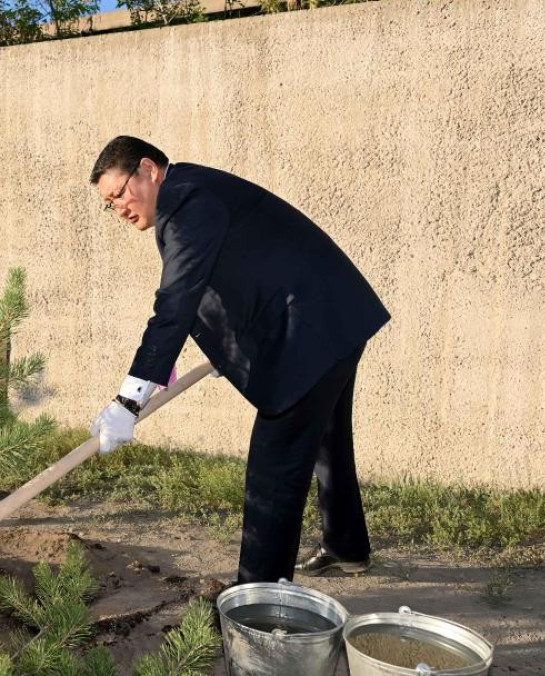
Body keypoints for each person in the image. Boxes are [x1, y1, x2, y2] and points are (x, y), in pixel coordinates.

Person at [87, 136, 390, 584]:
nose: (119, 209)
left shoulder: (186, 205)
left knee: (274, 465)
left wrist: (129, 399)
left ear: (148, 169)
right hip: (333, 315)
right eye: (109, 205)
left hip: (311, 331)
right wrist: (171, 364)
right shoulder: (192, 192)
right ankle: (346, 547)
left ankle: (256, 600)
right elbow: (229, 277)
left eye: (119, 194)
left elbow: (175, 302)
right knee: (326, 436)